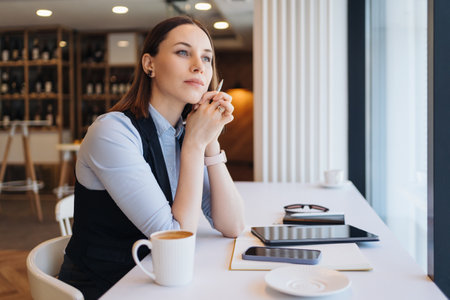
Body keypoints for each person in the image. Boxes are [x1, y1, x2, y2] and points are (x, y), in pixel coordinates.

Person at [58, 16, 245, 299]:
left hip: (157, 282)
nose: (199, 66)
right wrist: (195, 144)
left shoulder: (183, 131)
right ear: (149, 64)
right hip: (109, 287)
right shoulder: (113, 132)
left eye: (207, 58)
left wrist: (210, 140)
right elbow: (175, 240)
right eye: (183, 52)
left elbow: (232, 225)